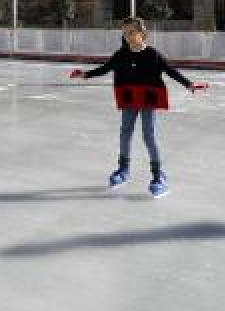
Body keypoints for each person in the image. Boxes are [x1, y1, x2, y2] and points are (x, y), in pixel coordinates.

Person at [68, 17, 209, 198]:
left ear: (142, 34)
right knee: (125, 132)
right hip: (129, 97)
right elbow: (106, 68)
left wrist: (189, 85)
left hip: (148, 98)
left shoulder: (153, 54)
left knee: (148, 135)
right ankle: (123, 170)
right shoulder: (121, 54)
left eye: (131, 32)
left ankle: (159, 176)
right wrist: (85, 74)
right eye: (125, 33)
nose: (127, 36)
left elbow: (171, 71)